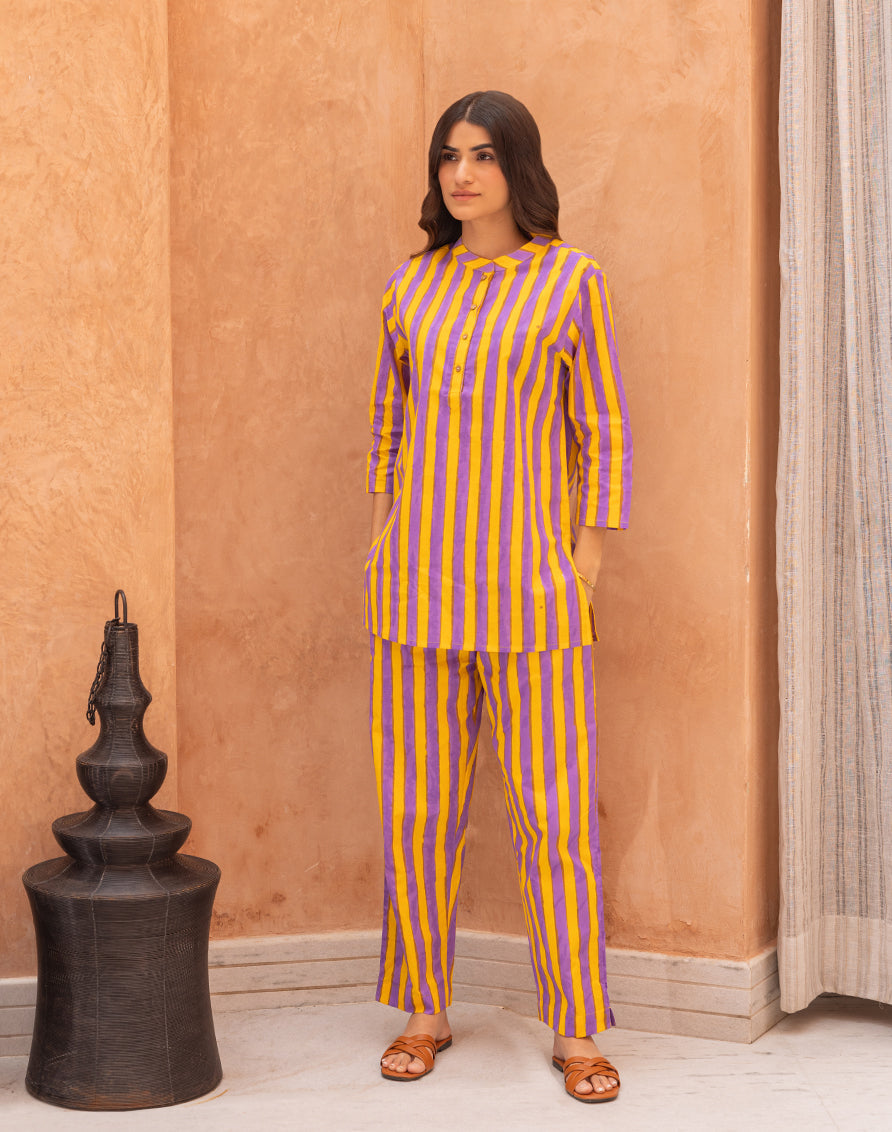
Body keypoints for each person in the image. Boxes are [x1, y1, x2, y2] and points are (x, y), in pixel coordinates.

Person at [364, 90, 632, 1104]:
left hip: (535, 598)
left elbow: (603, 430)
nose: (462, 174)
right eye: (448, 156)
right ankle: (423, 1010)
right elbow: (389, 431)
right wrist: (383, 541)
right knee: (417, 811)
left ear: (519, 166)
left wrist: (585, 565)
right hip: (415, 596)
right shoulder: (409, 287)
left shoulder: (572, 281)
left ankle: (576, 1029)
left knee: (555, 817)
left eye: (482, 155)